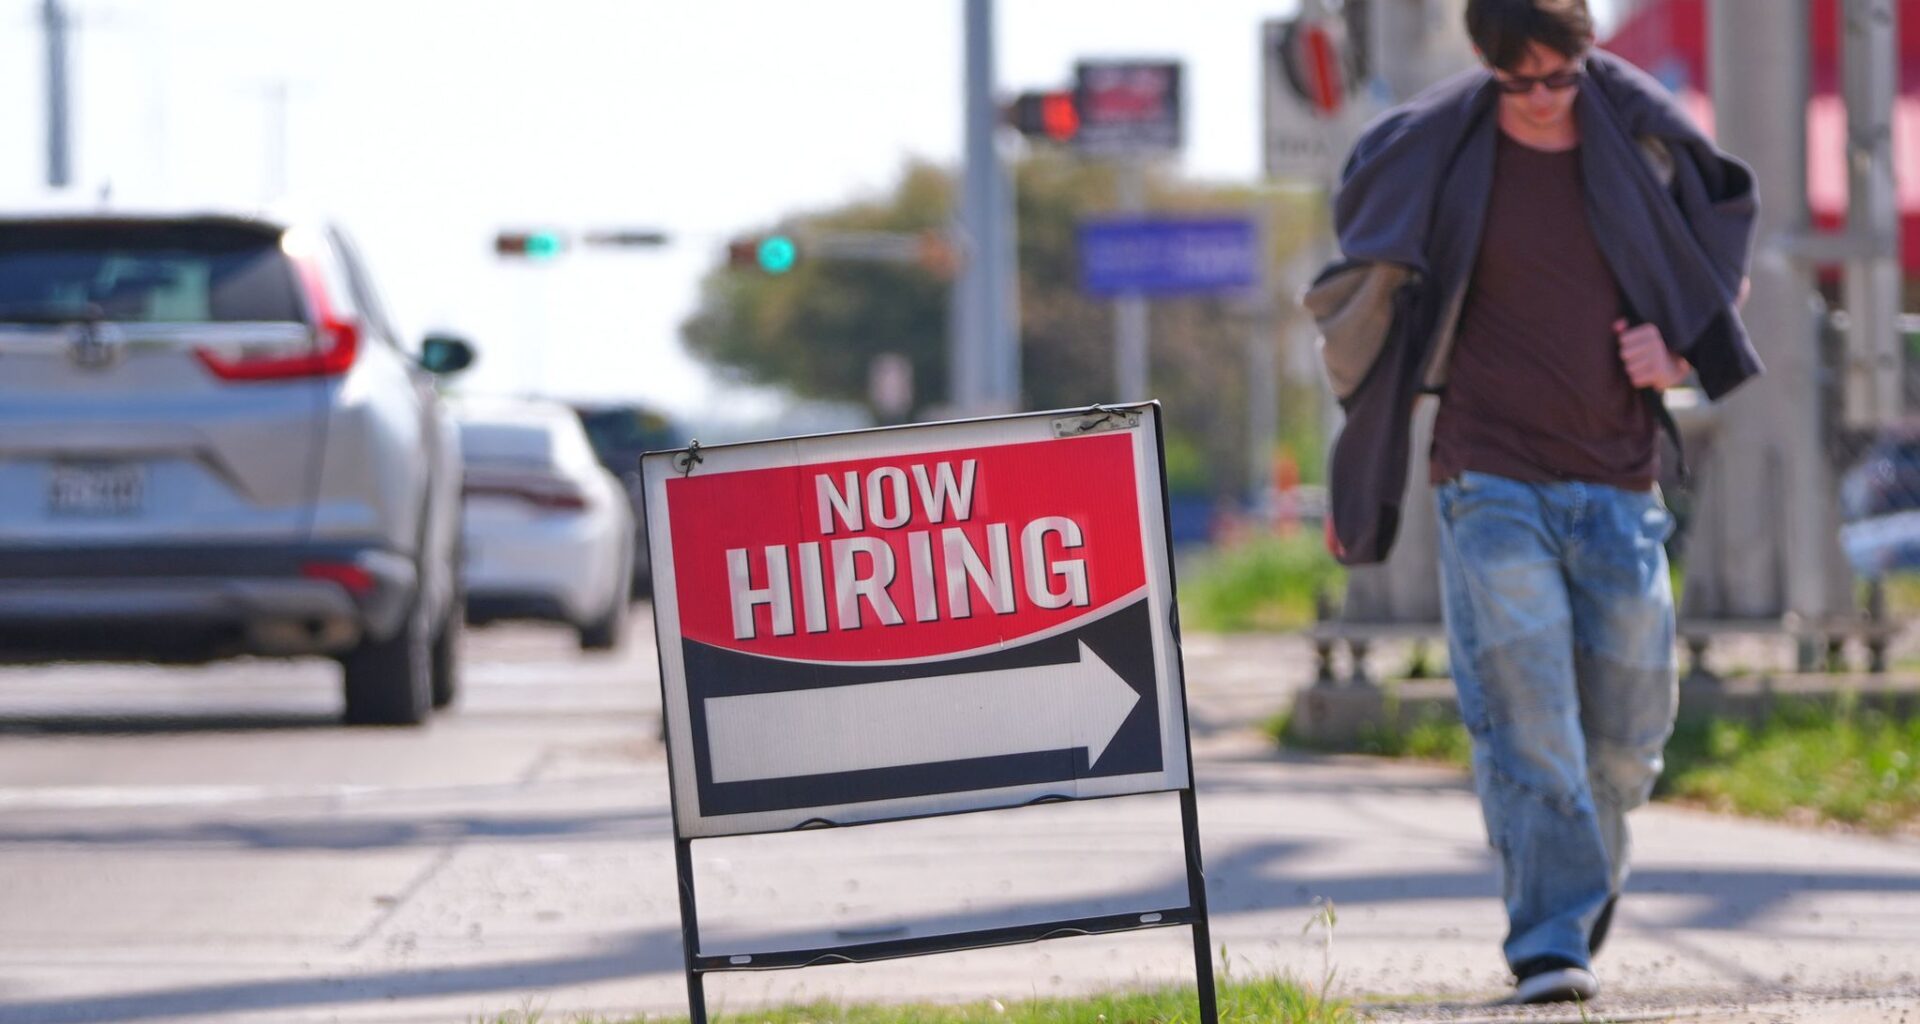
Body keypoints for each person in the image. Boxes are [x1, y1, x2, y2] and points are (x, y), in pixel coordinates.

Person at [1305, 0, 1761, 1006]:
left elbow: (1723, 217)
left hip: (1620, 475)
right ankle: (1550, 937)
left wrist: (1680, 340)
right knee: (1529, 716)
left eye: (1564, 75)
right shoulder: (1444, 144)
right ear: (1487, 64)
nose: (1549, 100)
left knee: (1632, 725)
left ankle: (1579, 879)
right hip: (1488, 472)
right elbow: (1365, 214)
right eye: (1525, 82)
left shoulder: (1636, 134)